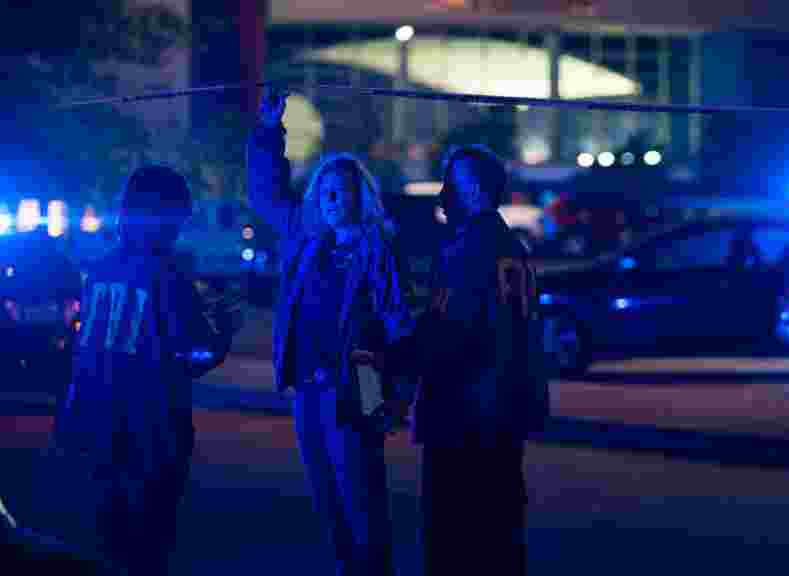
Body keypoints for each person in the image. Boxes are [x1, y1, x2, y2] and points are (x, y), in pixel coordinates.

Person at [247, 86, 415, 575]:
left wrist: (393, 395)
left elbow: (397, 323)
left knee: (361, 496)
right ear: (318, 198)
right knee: (325, 499)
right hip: (307, 388)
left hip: (356, 386)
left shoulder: (378, 249)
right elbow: (266, 194)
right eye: (326, 191)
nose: (335, 198)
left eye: (344, 190)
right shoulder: (306, 242)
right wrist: (266, 133)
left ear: (362, 196)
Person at [50, 164, 241, 575]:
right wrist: (224, 333)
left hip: (90, 426)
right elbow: (193, 352)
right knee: (146, 547)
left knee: (100, 542)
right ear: (166, 216)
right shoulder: (168, 276)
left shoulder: (100, 270)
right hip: (150, 435)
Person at [411, 145, 550, 576]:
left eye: (450, 180)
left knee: (458, 534)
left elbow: (451, 333)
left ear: (470, 187)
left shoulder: (468, 249)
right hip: (505, 407)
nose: (443, 191)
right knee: (501, 528)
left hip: (467, 413)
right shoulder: (508, 244)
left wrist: (400, 352)